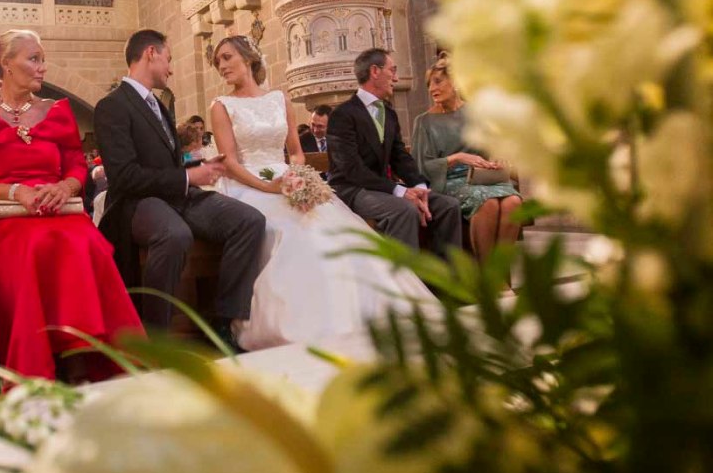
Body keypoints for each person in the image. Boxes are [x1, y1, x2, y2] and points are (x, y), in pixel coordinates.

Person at [208, 36, 435, 350]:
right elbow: (230, 163)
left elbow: (296, 152)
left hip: (287, 178)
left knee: (331, 226)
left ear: (248, 58)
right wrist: (269, 186)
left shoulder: (278, 99)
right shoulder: (221, 106)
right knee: (290, 230)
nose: (221, 66)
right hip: (247, 184)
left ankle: (368, 311)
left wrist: (296, 175)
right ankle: (307, 321)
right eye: (217, 61)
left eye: (227, 57)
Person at [0, 30, 142, 382]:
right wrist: (17, 193)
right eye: (34, 59)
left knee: (87, 243)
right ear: (7, 64)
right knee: (33, 246)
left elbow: (75, 164)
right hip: (3, 213)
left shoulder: (56, 111)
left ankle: (82, 355)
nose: (43, 67)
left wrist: (64, 186)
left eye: (43, 59)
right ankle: (36, 365)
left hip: (58, 207)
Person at [93, 29, 266, 343]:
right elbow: (125, 176)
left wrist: (199, 169)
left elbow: (167, 166)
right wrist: (187, 178)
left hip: (178, 195)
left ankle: (224, 323)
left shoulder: (159, 106)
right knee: (174, 235)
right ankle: (155, 338)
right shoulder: (112, 106)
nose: (171, 69)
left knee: (250, 221)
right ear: (151, 53)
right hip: (137, 202)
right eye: (169, 59)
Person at [328, 48, 462, 255]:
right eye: (393, 70)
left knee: (448, 206)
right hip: (353, 190)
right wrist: (400, 191)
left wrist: (420, 188)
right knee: (405, 210)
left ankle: (446, 274)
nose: (396, 78)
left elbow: (399, 156)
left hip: (383, 188)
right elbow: (351, 169)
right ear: (375, 71)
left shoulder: (389, 113)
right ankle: (406, 274)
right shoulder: (342, 114)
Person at [412, 54, 523, 261]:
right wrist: (457, 158)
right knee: (488, 203)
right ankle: (486, 274)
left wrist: (499, 158)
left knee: (513, 202)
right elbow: (421, 166)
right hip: (449, 180)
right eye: (429, 84)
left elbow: (493, 147)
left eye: (438, 82)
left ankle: (499, 271)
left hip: (483, 177)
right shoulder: (424, 122)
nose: (432, 88)